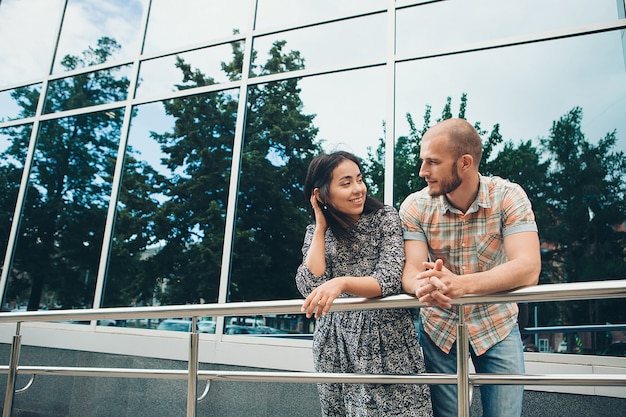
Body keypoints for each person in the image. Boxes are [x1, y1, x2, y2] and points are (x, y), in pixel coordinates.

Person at [399, 118, 541, 417]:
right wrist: (422, 286)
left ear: (465, 162)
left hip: (496, 324)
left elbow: (528, 267)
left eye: (432, 162)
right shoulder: (415, 206)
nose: (422, 171)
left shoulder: (508, 196)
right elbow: (411, 271)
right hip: (439, 327)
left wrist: (463, 285)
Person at [296, 150, 433, 417]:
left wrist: (341, 283)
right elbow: (309, 285)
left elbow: (390, 279)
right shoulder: (316, 232)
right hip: (334, 343)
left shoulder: (385, 218)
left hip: (386, 338)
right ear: (322, 194)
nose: (358, 189)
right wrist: (321, 226)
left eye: (359, 179)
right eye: (346, 183)